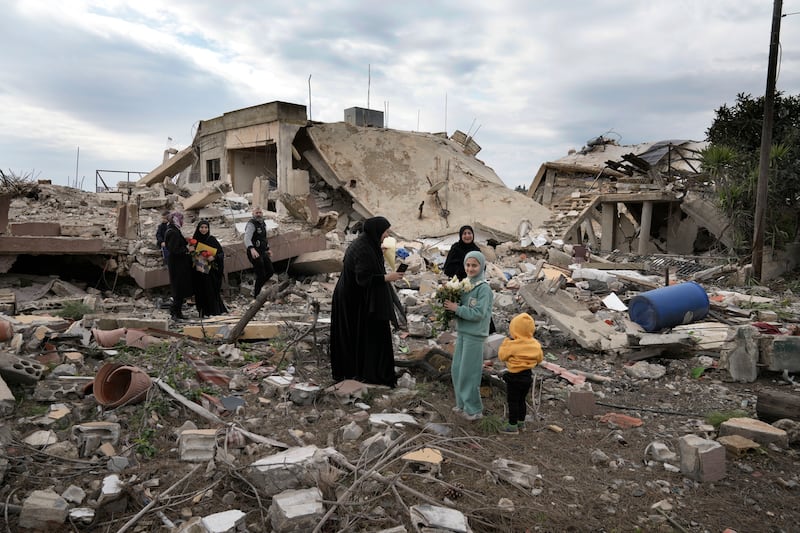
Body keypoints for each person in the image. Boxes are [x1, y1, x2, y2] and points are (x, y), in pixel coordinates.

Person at [330, 216, 405, 387]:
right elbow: (363, 278)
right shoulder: (363, 248)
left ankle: (363, 372)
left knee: (363, 335)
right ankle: (365, 374)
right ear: (376, 231)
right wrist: (388, 277)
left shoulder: (368, 244)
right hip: (351, 299)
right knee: (361, 335)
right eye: (385, 231)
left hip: (358, 298)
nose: (387, 235)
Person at [444, 250, 494, 420]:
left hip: (475, 335)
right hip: (463, 333)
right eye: (468, 265)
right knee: (457, 370)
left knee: (469, 373)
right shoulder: (466, 284)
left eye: (474, 265)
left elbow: (478, 313)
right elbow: (458, 305)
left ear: (481, 266)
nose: (470, 268)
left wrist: (456, 309)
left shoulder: (484, 289)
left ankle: (474, 410)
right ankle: (462, 404)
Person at [443, 224, 497, 334]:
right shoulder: (455, 248)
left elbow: (483, 266)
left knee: (478, 307)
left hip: (475, 283)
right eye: (464, 234)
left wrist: (475, 274)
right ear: (460, 235)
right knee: (462, 308)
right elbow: (447, 268)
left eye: (469, 233)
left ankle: (488, 330)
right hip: (460, 284)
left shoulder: (476, 249)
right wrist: (461, 271)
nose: (467, 236)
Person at [497, 312, 543, 434]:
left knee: (513, 401)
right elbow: (539, 359)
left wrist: (505, 343)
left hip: (513, 377)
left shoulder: (512, 345)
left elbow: (502, 356)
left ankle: (512, 426)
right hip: (527, 376)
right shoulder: (535, 345)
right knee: (522, 400)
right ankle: (521, 423)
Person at [191, 220, 227, 318]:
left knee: (210, 290)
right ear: (198, 228)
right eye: (201, 227)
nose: (204, 229)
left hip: (211, 272)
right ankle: (203, 312)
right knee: (200, 291)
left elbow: (221, 253)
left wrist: (214, 257)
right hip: (199, 271)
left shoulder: (211, 239)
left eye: (206, 227)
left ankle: (213, 311)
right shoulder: (195, 240)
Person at [164, 211, 193, 320]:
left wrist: (185, 241)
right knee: (178, 287)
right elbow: (174, 249)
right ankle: (174, 312)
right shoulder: (173, 232)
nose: (183, 222)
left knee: (180, 287)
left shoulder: (174, 229)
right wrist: (187, 249)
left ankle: (178, 312)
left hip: (178, 263)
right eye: (181, 219)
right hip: (177, 264)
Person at [244, 206, 274, 298]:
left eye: (260, 212)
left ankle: (257, 287)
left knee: (270, 271)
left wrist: (267, 248)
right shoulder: (251, 224)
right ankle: (256, 295)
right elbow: (246, 238)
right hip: (254, 252)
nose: (258, 214)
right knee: (260, 274)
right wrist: (251, 248)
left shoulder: (262, 223)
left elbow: (263, 238)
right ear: (253, 214)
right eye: (256, 213)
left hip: (262, 251)